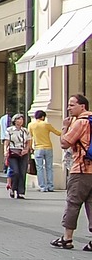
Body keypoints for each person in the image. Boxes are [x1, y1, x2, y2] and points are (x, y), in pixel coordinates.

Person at [50, 94, 91, 251]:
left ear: (82, 106)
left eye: (72, 104)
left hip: (81, 169)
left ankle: (67, 238)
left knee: (73, 203)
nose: (69, 107)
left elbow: (64, 143)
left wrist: (65, 126)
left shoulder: (80, 122)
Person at [29, 109, 61, 192]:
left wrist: (30, 147)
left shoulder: (31, 125)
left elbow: (30, 137)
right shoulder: (46, 124)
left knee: (39, 168)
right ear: (43, 117)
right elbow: (57, 133)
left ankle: (42, 186)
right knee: (49, 167)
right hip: (48, 147)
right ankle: (50, 186)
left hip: (38, 148)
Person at [3, 114, 32, 199]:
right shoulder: (10, 130)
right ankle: (13, 188)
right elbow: (6, 142)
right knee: (15, 171)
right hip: (13, 152)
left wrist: (26, 149)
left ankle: (20, 191)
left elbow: (28, 141)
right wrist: (5, 151)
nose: (20, 121)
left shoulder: (25, 131)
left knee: (22, 172)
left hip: (23, 152)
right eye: (18, 119)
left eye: (22, 119)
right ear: (14, 121)